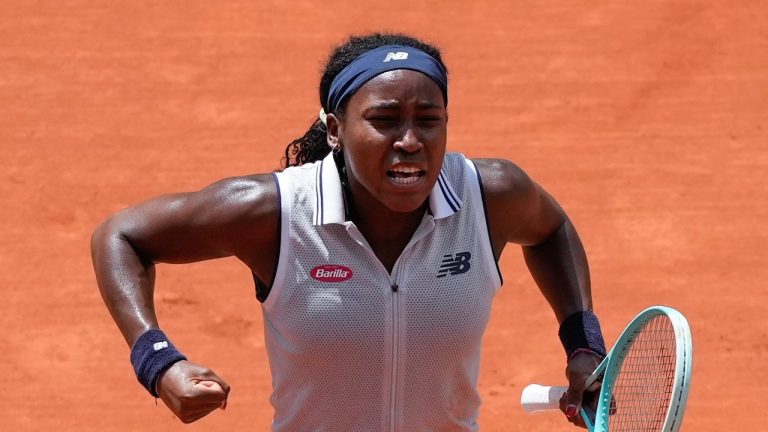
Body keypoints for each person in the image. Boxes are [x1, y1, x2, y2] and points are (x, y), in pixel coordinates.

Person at [91, 32, 607, 430]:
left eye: (429, 119)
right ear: (335, 130)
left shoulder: (489, 196)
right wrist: (157, 362)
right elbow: (123, 236)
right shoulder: (274, 212)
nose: (410, 140)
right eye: (385, 120)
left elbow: (551, 228)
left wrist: (583, 344)